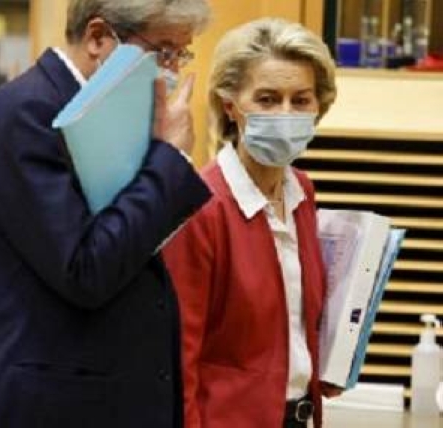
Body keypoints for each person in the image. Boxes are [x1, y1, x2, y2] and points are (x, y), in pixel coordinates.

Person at [0, 1, 211, 427]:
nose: (171, 71)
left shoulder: (107, 116)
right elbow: (85, 268)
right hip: (37, 402)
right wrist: (169, 158)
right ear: (99, 38)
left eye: (180, 55)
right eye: (164, 52)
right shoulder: (25, 113)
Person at [162, 18, 341, 428]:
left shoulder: (301, 193)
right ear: (231, 105)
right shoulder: (200, 205)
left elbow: (292, 323)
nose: (286, 113)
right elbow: (177, 362)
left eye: (301, 100)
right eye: (267, 98)